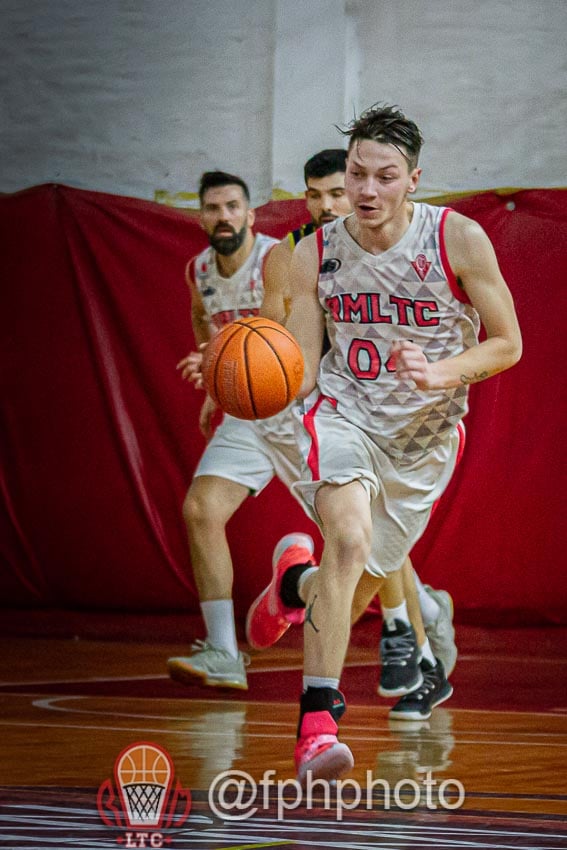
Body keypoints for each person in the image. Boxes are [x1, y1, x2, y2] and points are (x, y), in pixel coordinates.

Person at [246, 104, 522, 783]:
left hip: (424, 442)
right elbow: (306, 367)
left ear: (413, 179)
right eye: (356, 173)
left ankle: (292, 585)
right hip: (346, 416)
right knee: (344, 540)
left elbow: (507, 342)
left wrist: (442, 371)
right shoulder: (317, 250)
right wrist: (253, 380)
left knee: (352, 589)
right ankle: (316, 727)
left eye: (384, 176)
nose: (366, 190)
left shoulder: (456, 239)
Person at [247, 149, 459, 692]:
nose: (325, 204)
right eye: (314, 194)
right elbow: (275, 345)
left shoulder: (416, 241)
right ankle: (403, 634)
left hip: (406, 417)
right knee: (355, 539)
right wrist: (241, 370)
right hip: (332, 411)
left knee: (371, 550)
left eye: (334, 193)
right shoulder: (296, 254)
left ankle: (298, 587)